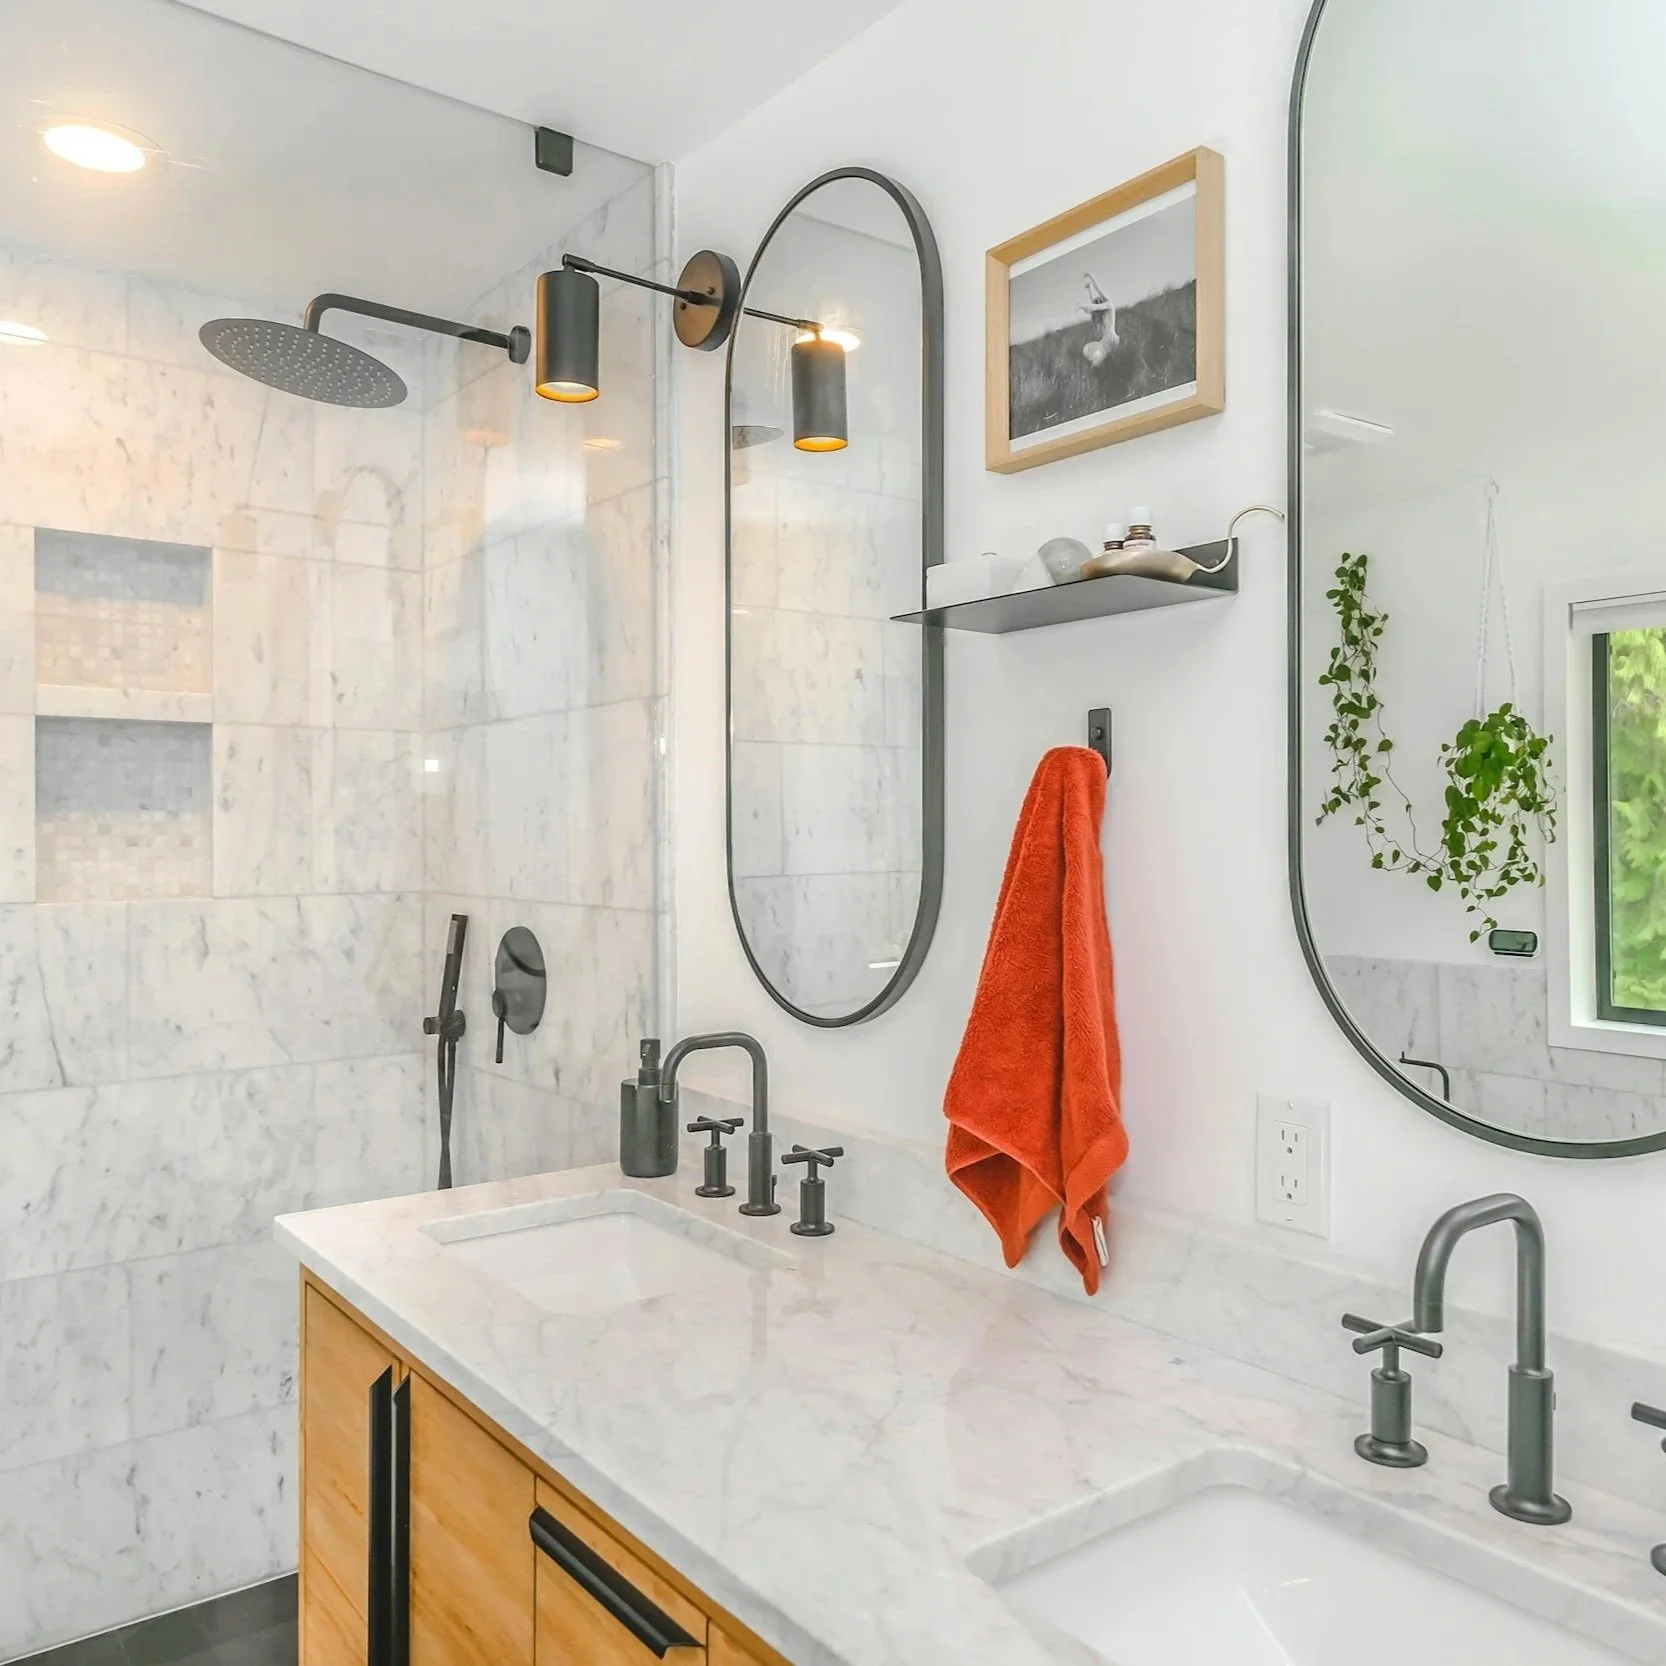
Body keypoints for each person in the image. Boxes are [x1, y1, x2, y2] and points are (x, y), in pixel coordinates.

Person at [1079, 273, 1119, 366]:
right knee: (1092, 355)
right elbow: (1093, 301)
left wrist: (1091, 275)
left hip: (1110, 340)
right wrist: (1089, 288)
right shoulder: (1103, 312)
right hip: (1107, 341)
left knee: (1097, 359)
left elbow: (1098, 289)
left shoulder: (1109, 306)